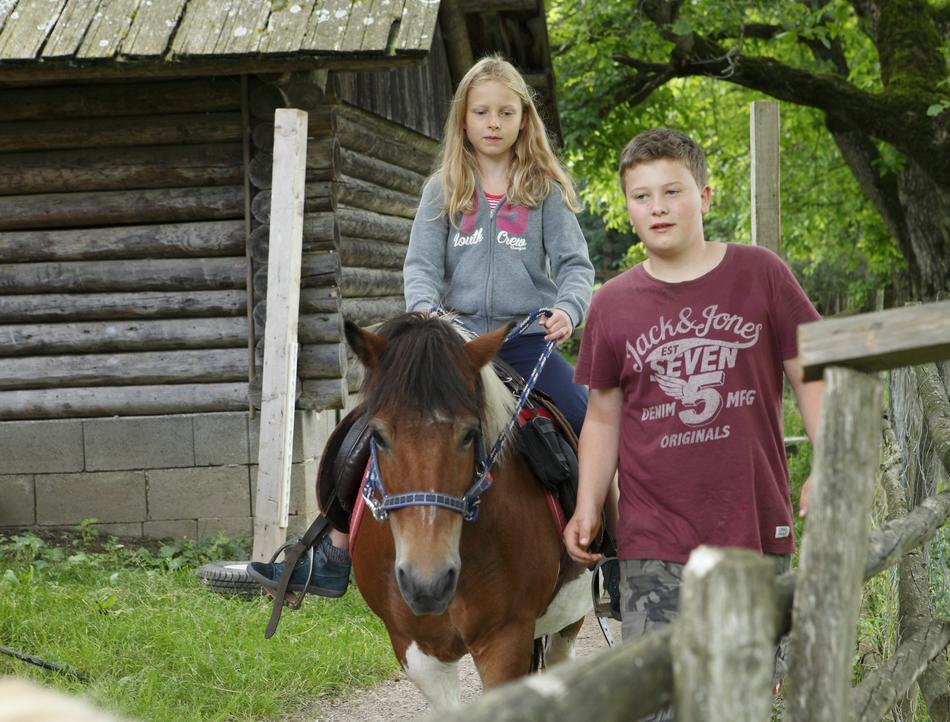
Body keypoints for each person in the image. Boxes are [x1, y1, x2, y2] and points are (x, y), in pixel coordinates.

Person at [250, 55, 605, 602]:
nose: (492, 122)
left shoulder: (545, 190)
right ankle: (332, 551)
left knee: (590, 419)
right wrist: (425, 308)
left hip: (527, 340)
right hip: (453, 342)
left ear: (523, 119)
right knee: (367, 428)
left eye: (505, 112)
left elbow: (577, 266)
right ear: (462, 119)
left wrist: (569, 308)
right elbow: (420, 265)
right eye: (481, 111)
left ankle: (617, 550)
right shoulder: (443, 187)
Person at [563, 128, 824, 708]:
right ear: (627, 208)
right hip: (654, 540)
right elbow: (603, 419)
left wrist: (826, 463)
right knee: (658, 700)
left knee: (740, 700)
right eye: (641, 196)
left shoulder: (761, 275)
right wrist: (587, 505)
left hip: (752, 532)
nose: (657, 207)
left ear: (705, 197)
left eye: (672, 192)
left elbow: (812, 373)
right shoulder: (611, 304)